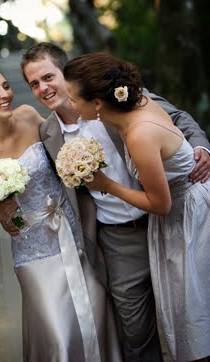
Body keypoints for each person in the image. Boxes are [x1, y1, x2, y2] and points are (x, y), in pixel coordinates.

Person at [21, 42, 210, 362]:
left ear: (65, 73)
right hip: (118, 237)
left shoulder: (115, 97)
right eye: (33, 84)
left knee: (190, 311)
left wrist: (202, 147)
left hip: (168, 221)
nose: (43, 88)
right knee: (136, 331)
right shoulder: (47, 133)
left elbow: (177, 117)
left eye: (48, 77)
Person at [0, 65, 121, 362]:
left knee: (97, 318)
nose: (5, 94)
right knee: (58, 336)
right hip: (33, 256)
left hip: (75, 236)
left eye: (5, 86)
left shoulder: (29, 116)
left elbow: (65, 145)